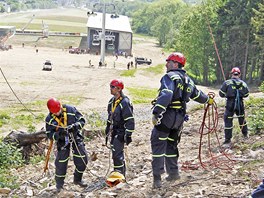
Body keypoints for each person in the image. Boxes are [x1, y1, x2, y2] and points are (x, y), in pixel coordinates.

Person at [151, 52, 214, 189]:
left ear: (175, 64)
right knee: (172, 145)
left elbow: (167, 94)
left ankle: (157, 179)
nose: (166, 64)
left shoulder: (169, 77)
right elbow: (198, 95)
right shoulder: (188, 80)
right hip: (179, 119)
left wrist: (157, 112)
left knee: (158, 145)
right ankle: (173, 173)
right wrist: (209, 100)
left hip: (167, 117)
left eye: (168, 61)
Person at [45, 98, 88, 192]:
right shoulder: (49, 119)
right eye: (54, 113)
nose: (56, 114)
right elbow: (49, 134)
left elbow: (82, 121)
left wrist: (75, 126)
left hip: (75, 138)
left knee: (82, 159)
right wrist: (59, 135)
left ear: (60, 106)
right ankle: (59, 185)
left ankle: (78, 179)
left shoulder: (71, 110)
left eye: (58, 111)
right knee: (61, 163)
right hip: (62, 142)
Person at [105, 79, 135, 177]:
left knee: (118, 154)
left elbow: (130, 120)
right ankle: (117, 172)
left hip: (121, 131)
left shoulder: (125, 102)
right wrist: (107, 130)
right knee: (115, 152)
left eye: (112, 87)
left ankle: (121, 174)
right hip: (114, 130)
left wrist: (128, 134)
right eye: (110, 86)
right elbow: (110, 116)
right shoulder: (111, 102)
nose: (110, 89)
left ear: (119, 89)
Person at [219, 67, 249, 144]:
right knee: (242, 119)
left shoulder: (227, 83)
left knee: (228, 120)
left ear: (231, 74)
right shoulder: (243, 84)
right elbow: (246, 94)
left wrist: (227, 94)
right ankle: (245, 134)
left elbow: (221, 94)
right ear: (239, 74)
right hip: (240, 104)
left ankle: (228, 140)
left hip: (230, 104)